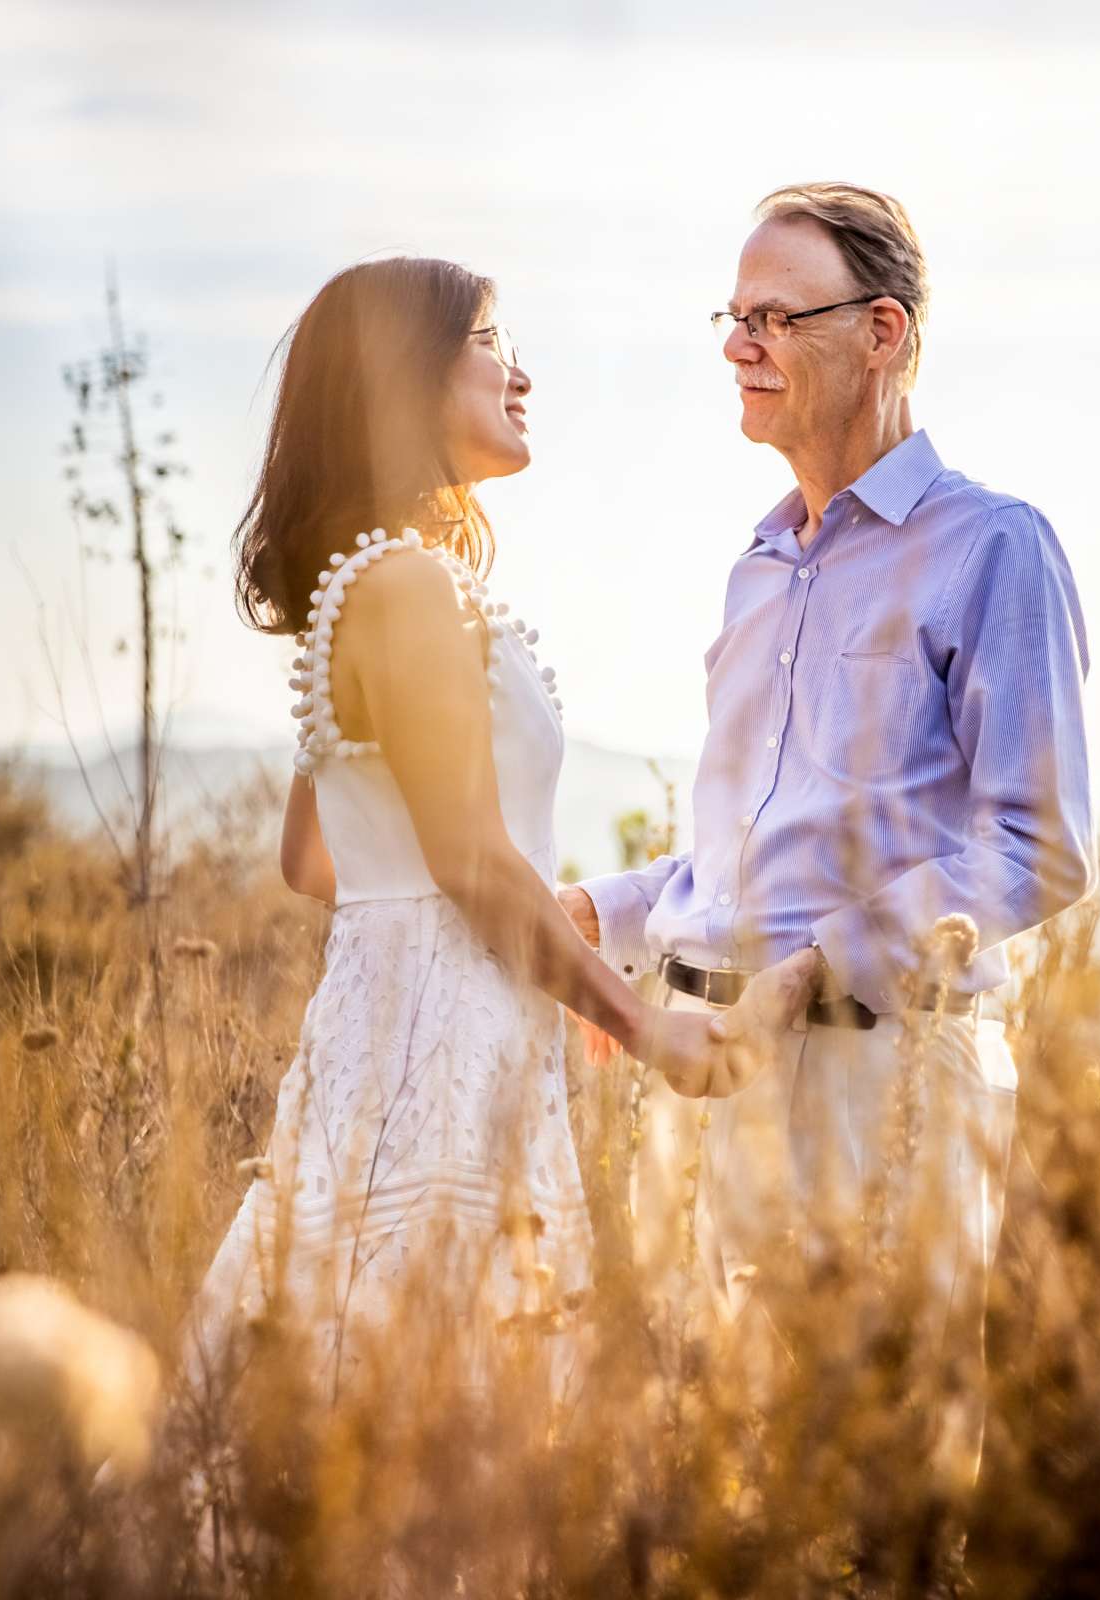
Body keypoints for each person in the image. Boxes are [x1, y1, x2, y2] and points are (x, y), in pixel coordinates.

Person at [562, 183, 1096, 1484]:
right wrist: (602, 919)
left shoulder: (995, 548)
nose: (739, 346)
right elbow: (739, 856)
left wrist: (817, 963)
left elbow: (1044, 843)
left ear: (882, 333)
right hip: (697, 1078)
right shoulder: (759, 564)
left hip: (882, 1084)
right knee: (700, 1475)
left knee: (872, 1480)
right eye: (732, 319)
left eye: (773, 317)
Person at [181, 257, 765, 1420]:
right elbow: (468, 857)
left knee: (352, 1351)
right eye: (494, 341)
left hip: (386, 1031)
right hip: (443, 1049)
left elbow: (317, 858)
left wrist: (461, 914)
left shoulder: (366, 584)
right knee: (439, 1390)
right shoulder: (407, 588)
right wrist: (639, 1020)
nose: (523, 372)